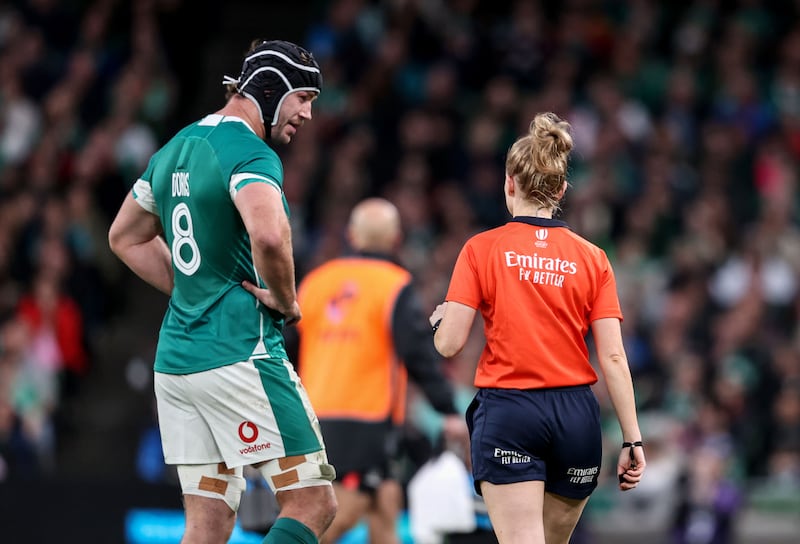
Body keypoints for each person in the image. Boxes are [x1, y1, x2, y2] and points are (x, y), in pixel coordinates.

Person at [108, 39, 337, 544]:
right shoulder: (249, 151)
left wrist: (190, 287)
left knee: (208, 524)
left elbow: (123, 237)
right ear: (272, 89)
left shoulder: (173, 149)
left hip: (176, 365)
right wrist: (285, 297)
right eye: (303, 97)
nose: (308, 114)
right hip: (240, 353)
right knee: (312, 501)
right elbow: (270, 234)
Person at [428, 112, 646, 544]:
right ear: (562, 189)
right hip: (577, 420)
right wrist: (631, 439)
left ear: (509, 183)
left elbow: (450, 345)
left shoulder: (480, 249)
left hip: (511, 411)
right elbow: (614, 357)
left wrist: (439, 321)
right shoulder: (593, 257)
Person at [282, 197, 469, 543]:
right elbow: (417, 354)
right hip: (366, 422)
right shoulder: (395, 285)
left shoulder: (316, 282)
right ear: (396, 238)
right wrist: (446, 408)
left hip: (312, 417)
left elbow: (286, 349)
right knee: (342, 510)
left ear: (352, 236)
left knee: (387, 500)